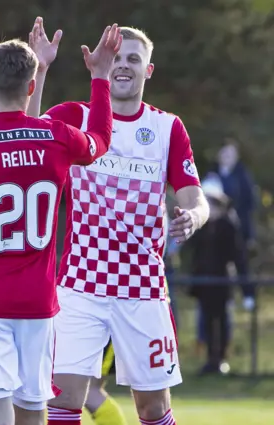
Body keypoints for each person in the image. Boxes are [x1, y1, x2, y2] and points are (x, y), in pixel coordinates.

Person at [0, 26, 121, 425]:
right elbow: (100, 139)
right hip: (36, 304)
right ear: (32, 86)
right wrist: (99, 78)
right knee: (33, 414)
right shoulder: (56, 137)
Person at [27, 18, 210, 425]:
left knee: (153, 409)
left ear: (148, 70)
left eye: (133, 58)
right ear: (101, 64)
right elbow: (26, 134)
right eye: (116, 58)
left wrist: (193, 217)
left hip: (143, 288)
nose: (123, 65)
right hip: (79, 285)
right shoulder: (76, 115)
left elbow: (194, 197)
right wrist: (40, 69)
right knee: (63, 400)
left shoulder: (167, 127)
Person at [188, 179, 247, 375]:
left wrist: (246, 289)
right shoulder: (202, 227)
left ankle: (220, 359)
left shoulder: (228, 225)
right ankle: (210, 360)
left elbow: (237, 255)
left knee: (221, 322)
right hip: (204, 284)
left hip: (221, 283)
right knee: (206, 322)